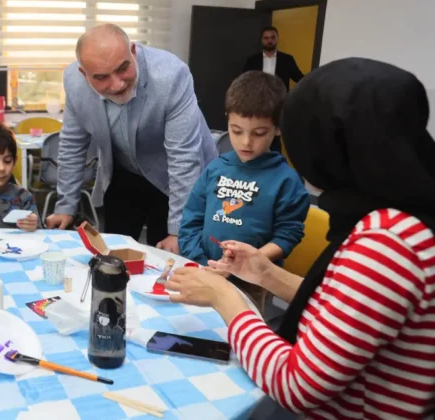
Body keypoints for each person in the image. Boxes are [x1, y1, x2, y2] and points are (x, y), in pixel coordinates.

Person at [166, 58, 435, 418]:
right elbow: (342, 305)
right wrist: (263, 272)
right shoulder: (400, 218)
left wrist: (225, 297)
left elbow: (297, 387)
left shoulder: (388, 244)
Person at [45, 23, 217, 253]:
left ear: (133, 52)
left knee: (167, 255)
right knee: (114, 252)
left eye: (123, 68)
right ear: (84, 74)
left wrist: (178, 231)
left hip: (177, 174)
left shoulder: (171, 75)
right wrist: (65, 206)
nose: (116, 84)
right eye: (102, 77)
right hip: (124, 170)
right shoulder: (74, 83)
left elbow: (183, 157)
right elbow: (72, 145)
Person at [177, 71, 309, 300]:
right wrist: (202, 261)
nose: (246, 141)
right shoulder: (214, 169)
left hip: (254, 281)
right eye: (236, 131)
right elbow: (190, 222)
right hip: (205, 270)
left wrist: (250, 261)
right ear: (227, 119)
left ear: (278, 127)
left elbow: (288, 234)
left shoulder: (286, 180)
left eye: (259, 133)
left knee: (243, 332)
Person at [243, 26, 304, 92]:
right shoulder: (252, 60)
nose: (270, 40)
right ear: (261, 40)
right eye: (266, 38)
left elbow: (300, 79)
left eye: (273, 37)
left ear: (277, 39)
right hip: (257, 99)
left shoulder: (287, 59)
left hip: (280, 100)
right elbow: (244, 81)